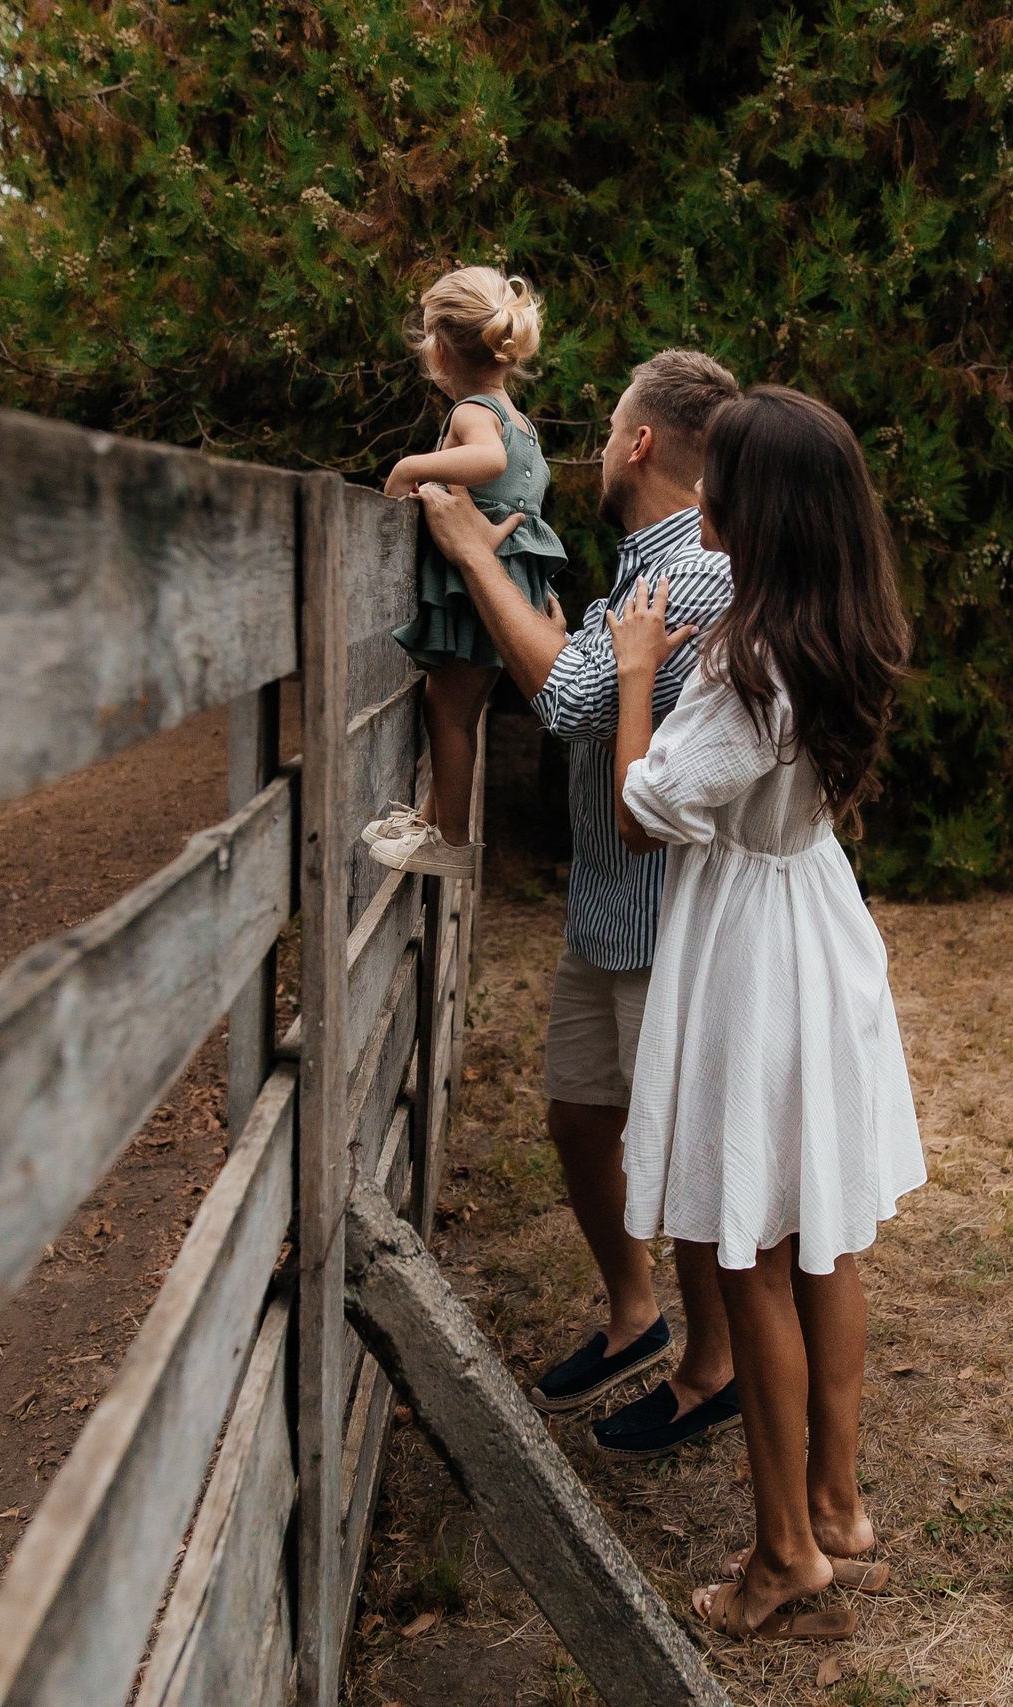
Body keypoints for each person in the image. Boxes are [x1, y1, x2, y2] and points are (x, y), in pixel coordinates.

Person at [605, 386, 924, 1642]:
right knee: (823, 1239)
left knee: (749, 1258)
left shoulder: (742, 662)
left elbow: (647, 808)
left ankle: (783, 1553)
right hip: (817, 921)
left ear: (755, 507)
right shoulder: (839, 631)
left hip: (749, 947)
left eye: (717, 477)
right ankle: (837, 1507)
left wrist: (638, 677)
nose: (702, 495)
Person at [417, 350, 747, 1457]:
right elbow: (591, 683)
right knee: (577, 1116)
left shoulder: (693, 568)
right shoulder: (640, 560)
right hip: (607, 903)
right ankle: (634, 1314)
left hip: (666, 921)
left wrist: (474, 559)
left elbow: (566, 703)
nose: (596, 450)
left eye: (607, 431)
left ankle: (714, 1368)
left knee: (680, 1156)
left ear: (641, 443)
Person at [367, 267, 567, 877]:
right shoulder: (522, 421)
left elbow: (488, 459)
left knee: (445, 708)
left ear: (440, 347)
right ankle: (435, 823)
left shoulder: (474, 412)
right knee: (459, 706)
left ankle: (448, 839)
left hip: (481, 589)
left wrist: (406, 470)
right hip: (513, 592)